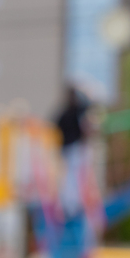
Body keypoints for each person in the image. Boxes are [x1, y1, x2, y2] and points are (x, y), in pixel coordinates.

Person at [54, 83, 91, 217]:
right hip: (73, 148)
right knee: (73, 178)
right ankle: (71, 206)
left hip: (68, 148)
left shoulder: (65, 112)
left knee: (70, 178)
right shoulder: (76, 110)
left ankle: (70, 205)